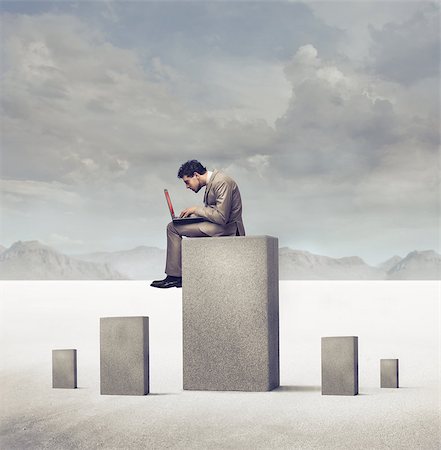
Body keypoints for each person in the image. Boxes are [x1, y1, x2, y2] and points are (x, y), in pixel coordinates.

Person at [151, 160, 245, 288]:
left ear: (196, 175)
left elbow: (221, 216)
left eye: (187, 182)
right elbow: (213, 211)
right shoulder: (213, 183)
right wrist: (192, 217)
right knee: (175, 226)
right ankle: (176, 275)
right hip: (218, 226)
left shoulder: (221, 182)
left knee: (172, 228)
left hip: (228, 229)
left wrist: (196, 210)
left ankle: (175, 277)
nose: (187, 186)